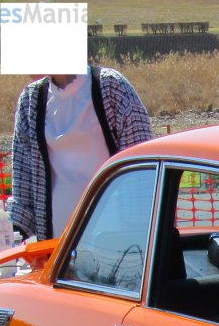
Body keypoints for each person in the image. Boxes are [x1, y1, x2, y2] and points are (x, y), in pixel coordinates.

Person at [10, 67, 153, 242]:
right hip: (58, 253)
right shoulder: (30, 101)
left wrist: (138, 244)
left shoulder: (112, 87)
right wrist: (7, 240)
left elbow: (144, 176)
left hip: (118, 249)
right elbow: (23, 196)